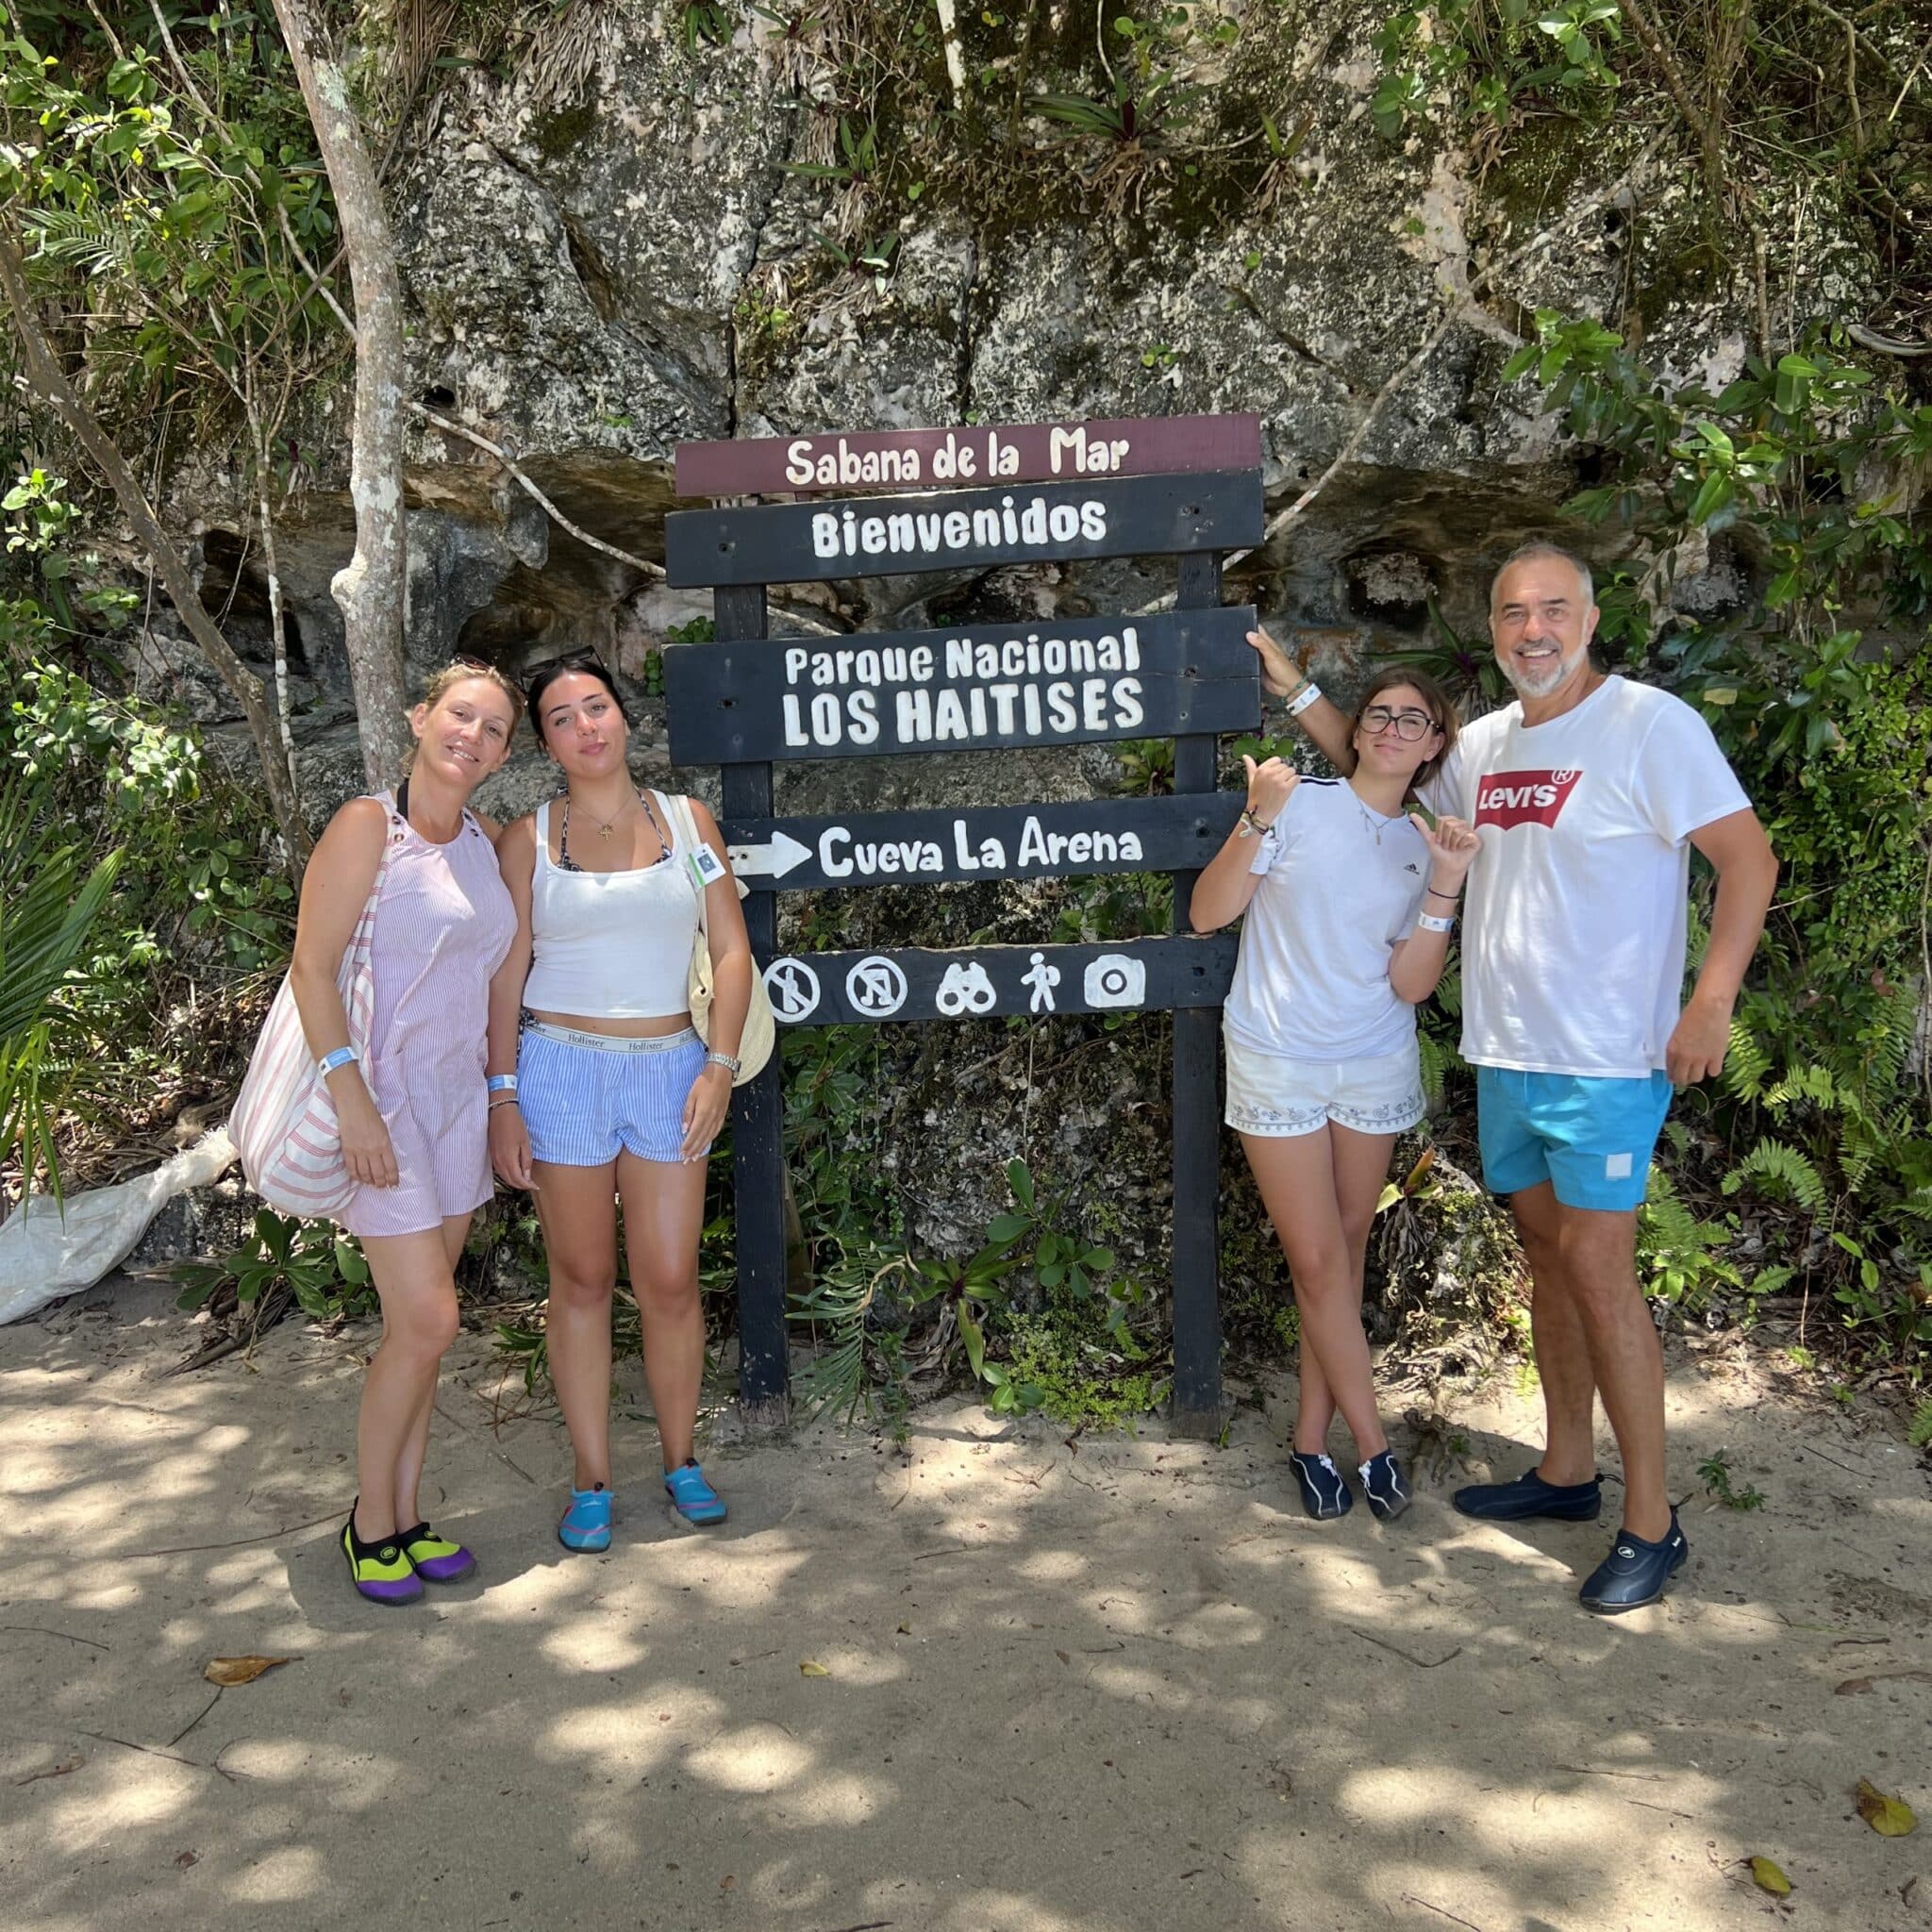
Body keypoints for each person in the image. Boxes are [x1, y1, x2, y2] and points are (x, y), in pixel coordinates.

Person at [1251, 541, 1777, 1611]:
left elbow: (1747, 857)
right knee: (1546, 1254)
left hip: (1606, 1058)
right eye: (1509, 612)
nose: (1530, 629)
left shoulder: (1647, 724)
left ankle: (1651, 1522)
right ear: (1491, 630)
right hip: (1508, 1052)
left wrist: (1710, 998)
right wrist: (1300, 690)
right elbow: (1377, 764)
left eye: (1551, 609)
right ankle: (1566, 1471)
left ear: (1588, 618)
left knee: (1596, 1263)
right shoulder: (1484, 740)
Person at [1193, 671, 1479, 1522]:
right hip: (1279, 1054)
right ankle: (1375, 1447)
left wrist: (1446, 882)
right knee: (1317, 1261)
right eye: (1379, 714)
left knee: (1346, 1259)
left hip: (1371, 1061)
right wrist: (1257, 815)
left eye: (1413, 719)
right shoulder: (1301, 803)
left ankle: (1310, 1444)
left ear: (1434, 745)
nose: (1392, 728)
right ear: (1356, 731)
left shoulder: (1425, 841)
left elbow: (1410, 985)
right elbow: (1210, 913)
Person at [487, 653, 755, 1552]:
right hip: (559, 1067)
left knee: (671, 1279)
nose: (585, 727)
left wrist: (717, 1065)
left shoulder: (689, 822)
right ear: (545, 741)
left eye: (595, 706)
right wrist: (503, 1095)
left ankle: (682, 1461)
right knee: (583, 1278)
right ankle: (592, 1479)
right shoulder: (528, 838)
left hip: (671, 1067)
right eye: (561, 717)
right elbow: (505, 974)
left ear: (625, 717)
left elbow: (731, 954)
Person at [286, 660, 525, 1605]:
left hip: (455, 1107)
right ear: (421, 717)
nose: (473, 734)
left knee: (416, 1333)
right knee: (429, 1317)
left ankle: (406, 1514)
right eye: (460, 713)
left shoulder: (485, 841)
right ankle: (367, 1522)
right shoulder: (365, 827)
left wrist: (501, 1095)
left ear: (505, 752)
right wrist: (351, 1102)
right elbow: (311, 968)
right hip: (380, 1109)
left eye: (495, 727)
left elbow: (499, 975)